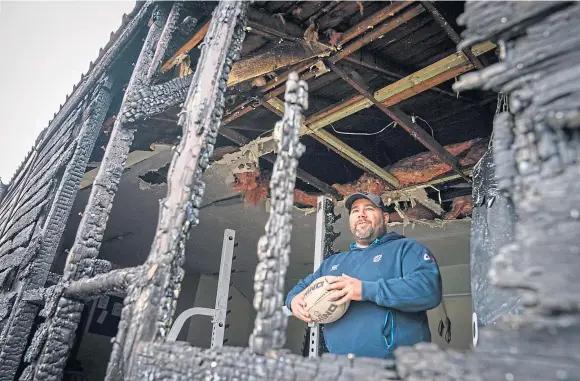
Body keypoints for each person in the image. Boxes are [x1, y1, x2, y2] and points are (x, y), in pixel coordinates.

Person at [285, 192, 442, 359]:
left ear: (385, 218)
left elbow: (428, 289)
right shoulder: (333, 263)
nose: (361, 214)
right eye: (355, 211)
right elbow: (301, 288)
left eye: (369, 209)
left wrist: (365, 290)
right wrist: (293, 301)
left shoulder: (405, 249)